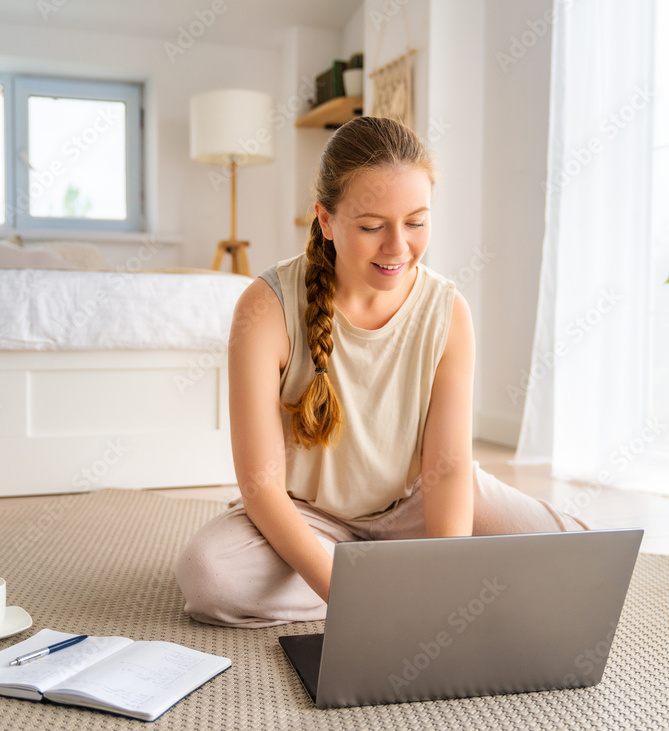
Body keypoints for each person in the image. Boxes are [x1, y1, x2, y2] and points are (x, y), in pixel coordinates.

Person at [174, 116, 586, 628]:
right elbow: (260, 486)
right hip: (310, 517)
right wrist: (348, 595)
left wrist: (448, 576)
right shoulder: (265, 308)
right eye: (371, 226)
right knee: (211, 576)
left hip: (418, 504)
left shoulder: (448, 310)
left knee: (579, 557)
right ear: (325, 221)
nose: (398, 247)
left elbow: (450, 468)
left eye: (416, 222)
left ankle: (403, 573)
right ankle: (387, 577)